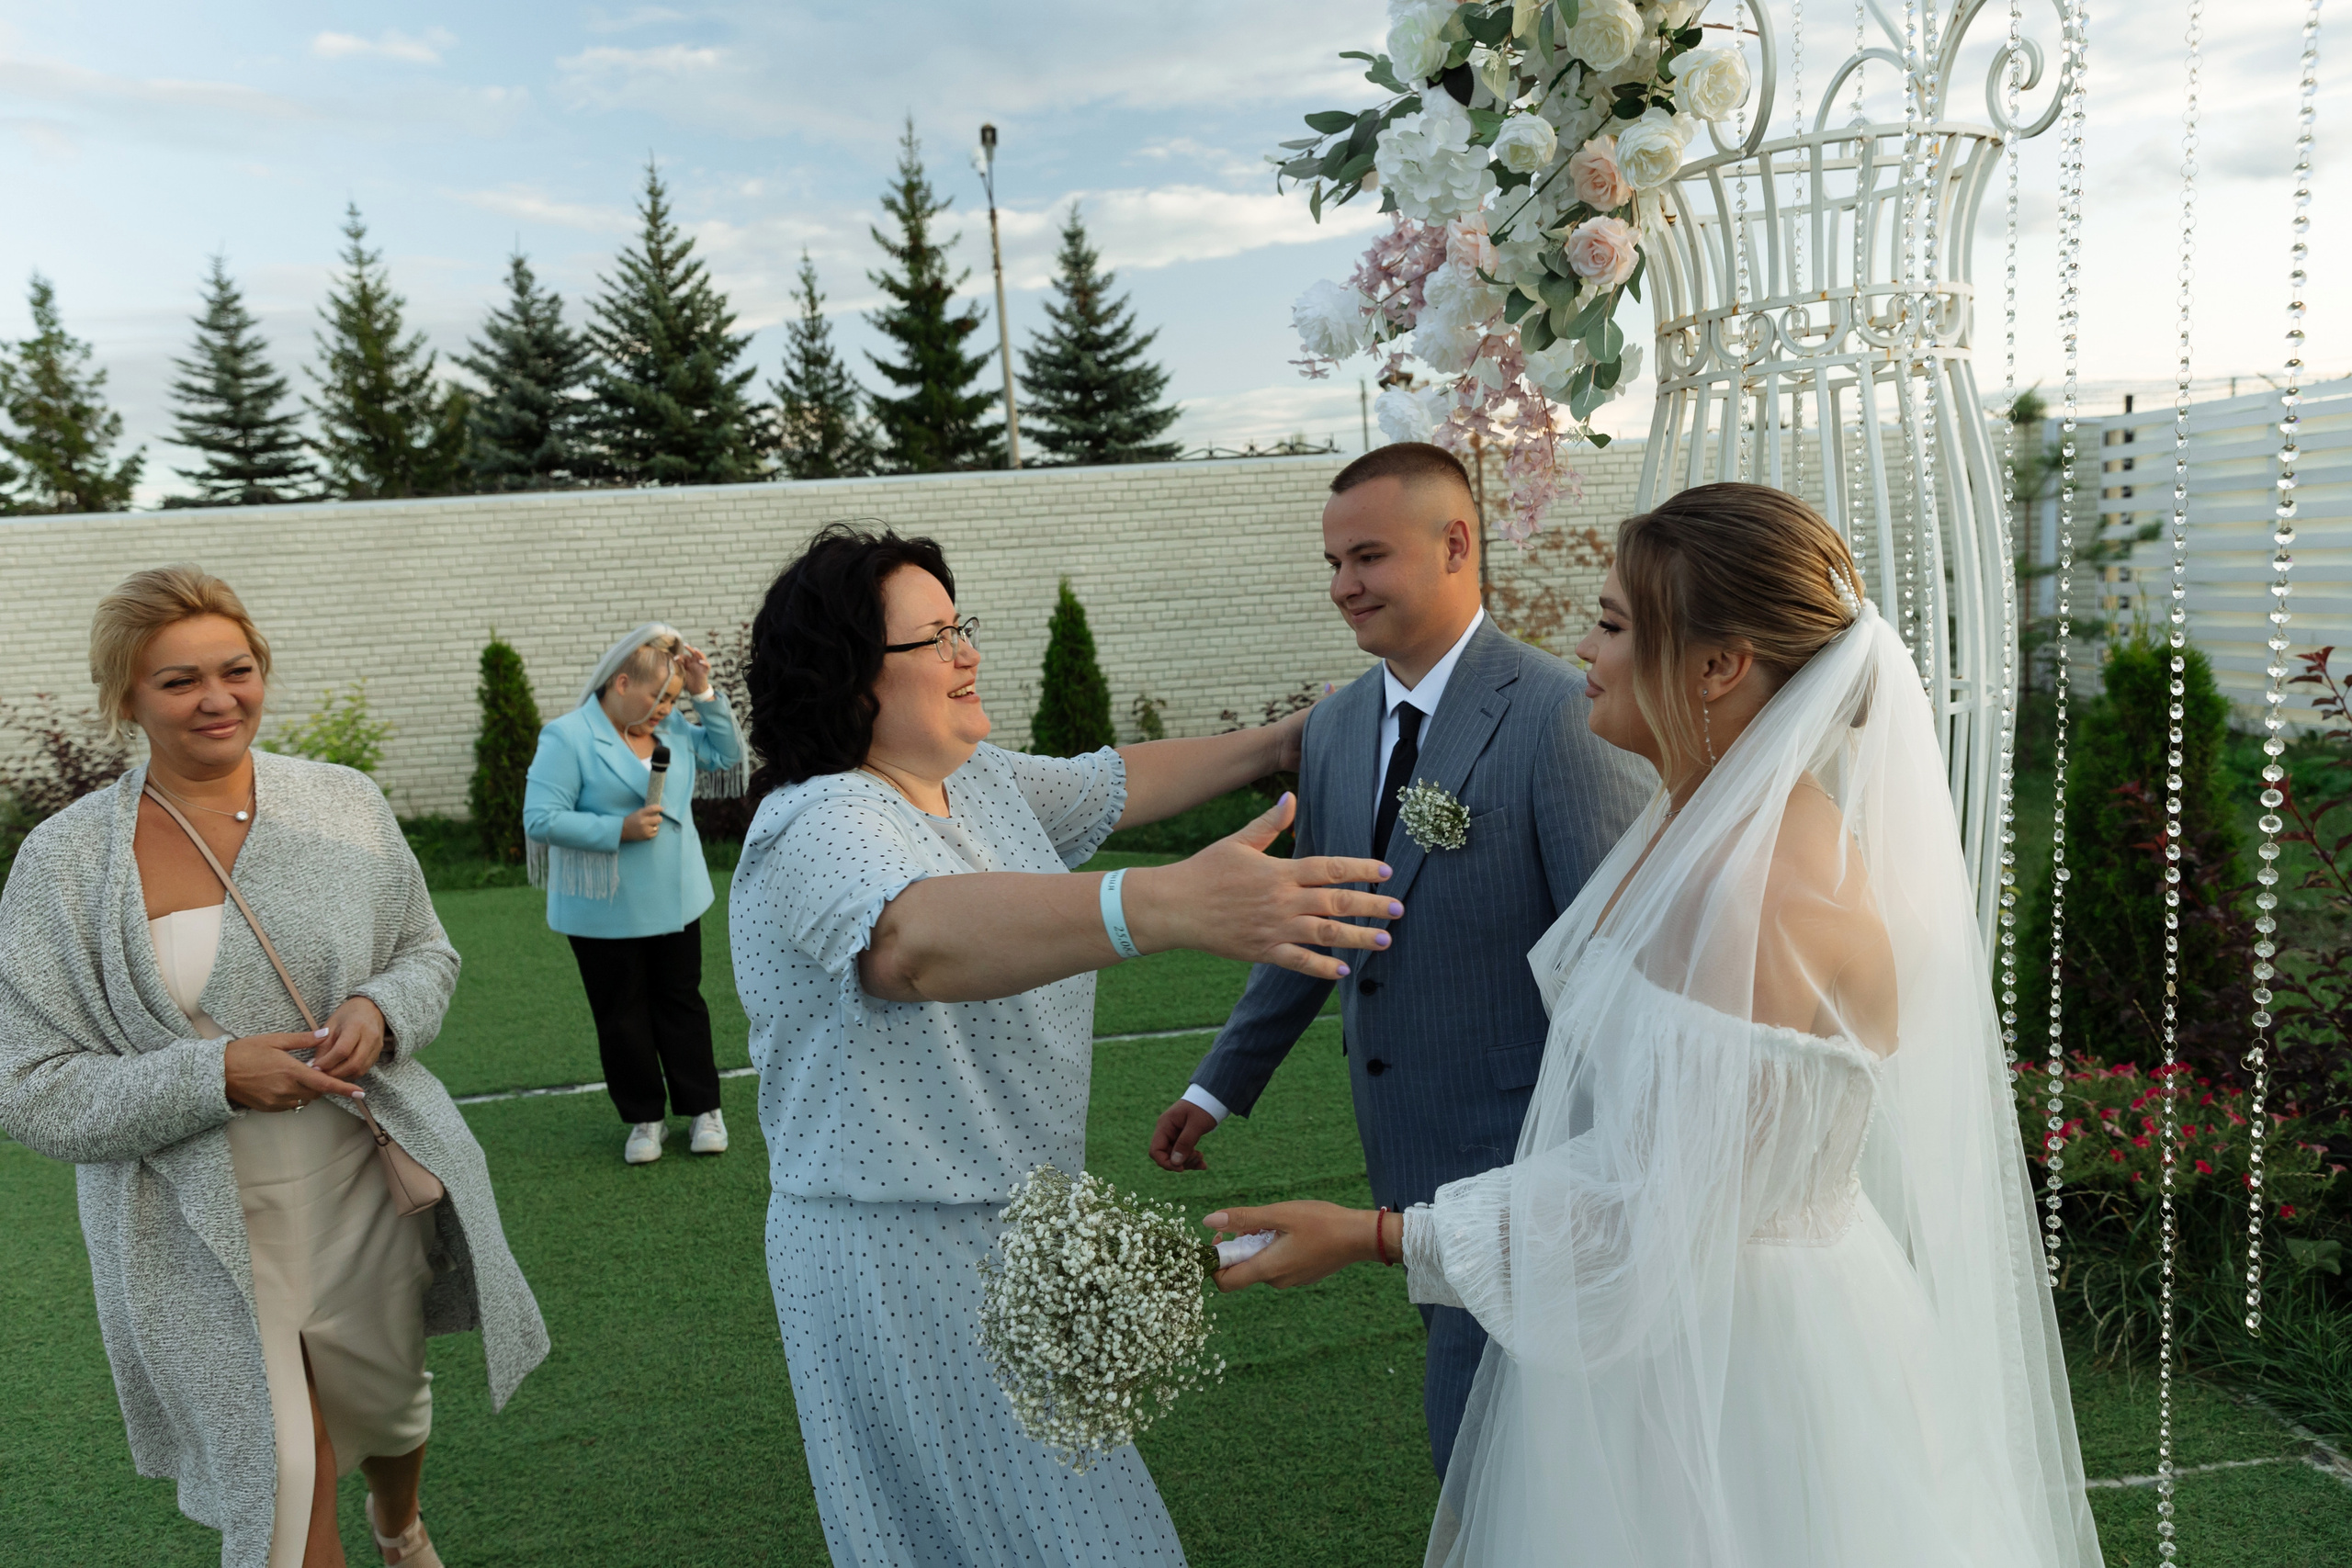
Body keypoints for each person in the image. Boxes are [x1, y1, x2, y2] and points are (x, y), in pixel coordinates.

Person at [1203, 485, 2102, 1567]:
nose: (1584, 650)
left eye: (1614, 625)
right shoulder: (1696, 822)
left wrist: (1374, 1236)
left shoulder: (1762, 896)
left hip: (1740, 1367)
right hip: (1675, 1332)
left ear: (1718, 665)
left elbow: (1658, 1219)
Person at [729, 524, 1404, 1567]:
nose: (968, 653)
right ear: (851, 676)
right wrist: (1162, 904)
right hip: (892, 1253)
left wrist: (1284, 741)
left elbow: (1113, 782)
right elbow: (910, 943)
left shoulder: (975, 779)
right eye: (935, 639)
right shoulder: (815, 821)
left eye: (962, 625)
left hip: (1017, 1231)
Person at [0, 566, 548, 1568]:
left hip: (359, 1181)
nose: (217, 698)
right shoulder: (64, 862)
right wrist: (212, 1076)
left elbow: (425, 953)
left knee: (391, 1407)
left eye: (237, 669)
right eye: (179, 681)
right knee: (286, 1473)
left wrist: (380, 1011)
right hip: (189, 1223)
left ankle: (399, 1524)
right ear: (126, 698)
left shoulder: (342, 803)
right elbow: (29, 1088)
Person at [1145, 441, 1651, 1473]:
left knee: (1521, 1450)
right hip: (1402, 1147)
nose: (1343, 585)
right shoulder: (1334, 728)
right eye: (1333, 563)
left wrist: (1623, 1168)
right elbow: (1315, 919)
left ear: (1455, 544)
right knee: (1479, 1437)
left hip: (1532, 1154)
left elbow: (1620, 964)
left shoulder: (1562, 714)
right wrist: (1218, 1084)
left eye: (1367, 557)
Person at [525, 624, 746, 1164]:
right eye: (657, 697)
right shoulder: (567, 737)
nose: (665, 709)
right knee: (621, 1013)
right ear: (621, 683)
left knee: (682, 1003)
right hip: (603, 908)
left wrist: (703, 691)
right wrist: (616, 830)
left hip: (676, 898)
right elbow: (540, 819)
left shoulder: (675, 729)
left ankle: (703, 1109)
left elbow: (727, 755)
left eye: (673, 699)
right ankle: (645, 1119)